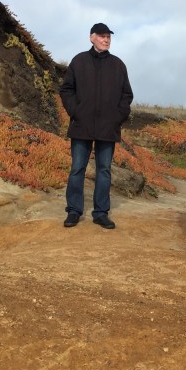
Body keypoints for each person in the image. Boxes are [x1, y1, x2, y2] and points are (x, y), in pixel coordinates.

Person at [59, 22, 133, 230]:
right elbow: (66, 89)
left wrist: (117, 117)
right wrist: (76, 112)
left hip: (108, 127)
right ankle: (74, 211)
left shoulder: (118, 65)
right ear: (92, 37)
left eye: (108, 36)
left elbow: (127, 95)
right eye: (102, 36)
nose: (106, 39)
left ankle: (101, 213)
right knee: (77, 168)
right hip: (81, 125)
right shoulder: (79, 61)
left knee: (104, 170)